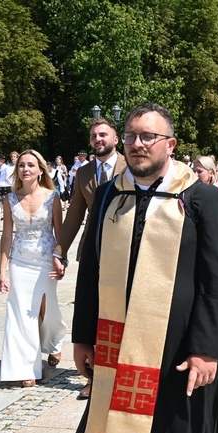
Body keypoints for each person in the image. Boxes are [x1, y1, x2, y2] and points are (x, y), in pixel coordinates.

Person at [69, 103, 218, 433]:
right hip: (118, 342)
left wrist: (206, 348)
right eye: (131, 136)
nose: (138, 144)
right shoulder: (109, 196)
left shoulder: (201, 199)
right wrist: (83, 336)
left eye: (149, 136)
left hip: (182, 350)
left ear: (171, 144)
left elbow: (217, 281)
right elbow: (91, 270)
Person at [53, 117, 126, 400]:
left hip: (125, 249)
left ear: (115, 139)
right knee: (93, 313)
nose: (98, 139)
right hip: (93, 251)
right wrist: (61, 250)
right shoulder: (83, 173)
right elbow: (74, 216)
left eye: (103, 135)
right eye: (94, 136)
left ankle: (121, 372)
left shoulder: (130, 166)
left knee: (121, 312)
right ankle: (95, 378)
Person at [0, 149, 67, 387]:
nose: (25, 169)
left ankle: (54, 343)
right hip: (19, 261)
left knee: (49, 311)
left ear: (40, 170)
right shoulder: (9, 199)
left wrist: (61, 259)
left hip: (46, 261)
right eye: (21, 165)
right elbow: (6, 236)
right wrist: (2, 271)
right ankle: (28, 367)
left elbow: (60, 232)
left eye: (31, 165)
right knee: (21, 314)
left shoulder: (52, 197)